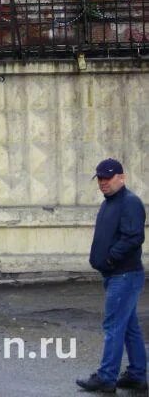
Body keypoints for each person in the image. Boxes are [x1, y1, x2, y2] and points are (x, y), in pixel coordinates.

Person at [77, 158, 147, 393]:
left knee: (113, 325)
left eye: (108, 177)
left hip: (124, 274)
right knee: (128, 327)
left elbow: (134, 237)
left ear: (122, 177)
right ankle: (137, 374)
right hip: (115, 274)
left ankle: (106, 377)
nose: (103, 182)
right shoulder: (109, 202)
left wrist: (109, 259)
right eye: (100, 178)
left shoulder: (130, 202)